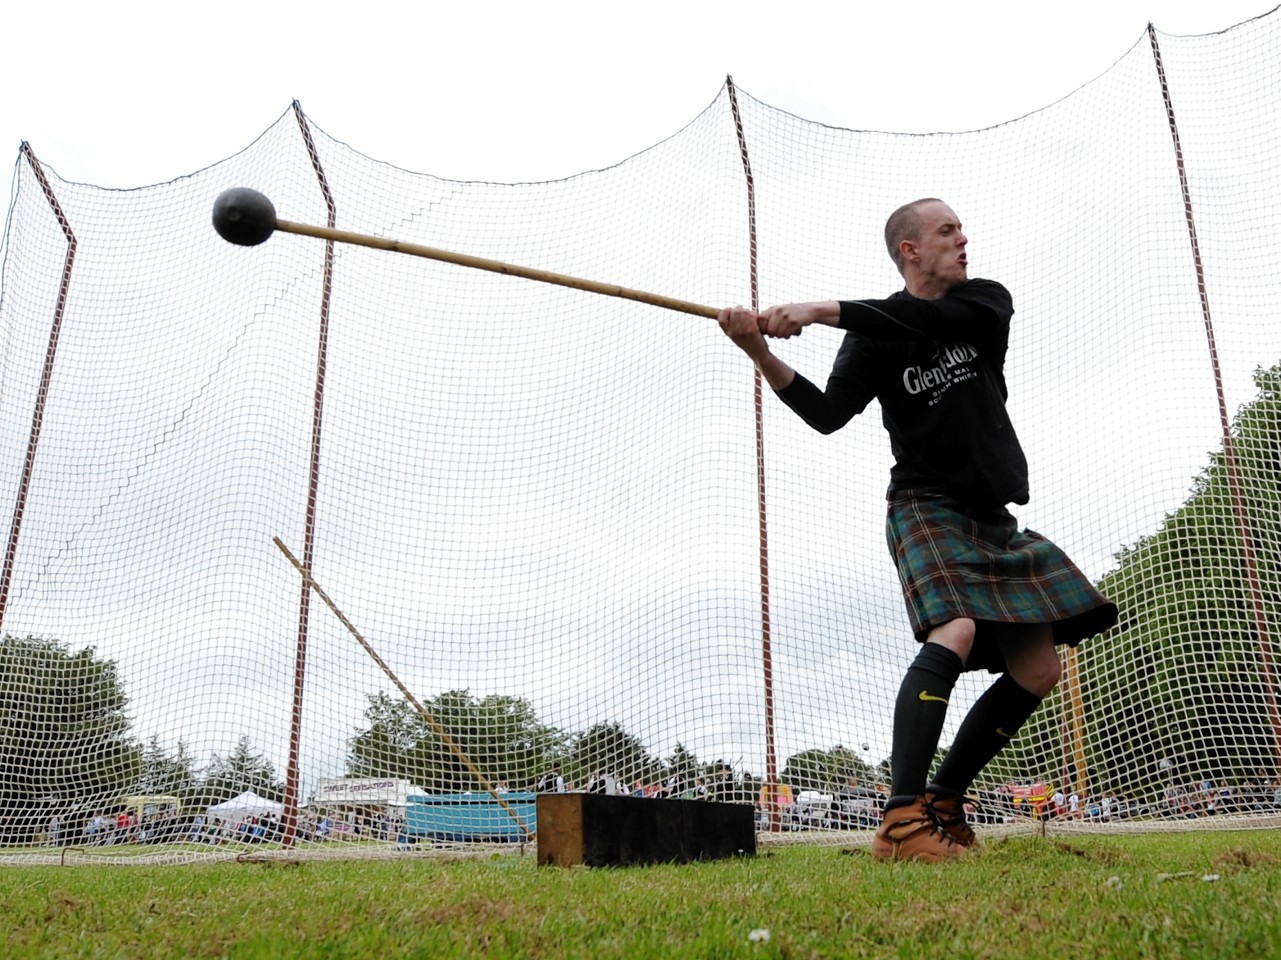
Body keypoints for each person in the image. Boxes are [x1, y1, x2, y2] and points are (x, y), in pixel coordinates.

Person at [718, 198, 1118, 862]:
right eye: (946, 231)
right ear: (910, 249)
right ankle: (901, 823)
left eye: (960, 230)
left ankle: (943, 800)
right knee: (955, 629)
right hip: (924, 504)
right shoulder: (873, 335)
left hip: (992, 517)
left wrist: (818, 309)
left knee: (1040, 667)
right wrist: (758, 350)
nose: (964, 239)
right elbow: (825, 413)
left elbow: (924, 319)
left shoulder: (984, 304)